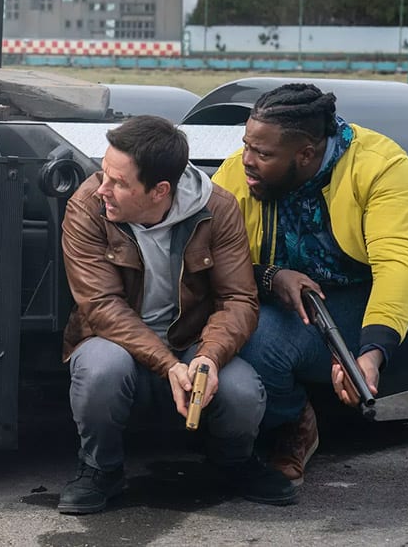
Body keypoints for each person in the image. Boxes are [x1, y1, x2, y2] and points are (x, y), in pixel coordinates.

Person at [211, 83, 408, 517]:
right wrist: (271, 277)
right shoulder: (237, 175)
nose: (247, 160)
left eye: (263, 153)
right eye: (247, 145)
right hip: (310, 322)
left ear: (306, 154)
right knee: (249, 330)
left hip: (392, 327)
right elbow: (212, 263)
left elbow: (400, 261)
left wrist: (372, 351)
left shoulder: (380, 163)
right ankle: (295, 423)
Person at [58, 115, 297, 515]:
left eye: (118, 182)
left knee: (241, 390)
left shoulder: (218, 208)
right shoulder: (88, 206)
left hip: (191, 341)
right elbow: (100, 306)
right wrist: (168, 365)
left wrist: (209, 357)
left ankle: (234, 461)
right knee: (100, 371)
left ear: (160, 191)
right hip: (111, 339)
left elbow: (239, 298)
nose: (103, 189)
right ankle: (100, 468)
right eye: (104, 173)